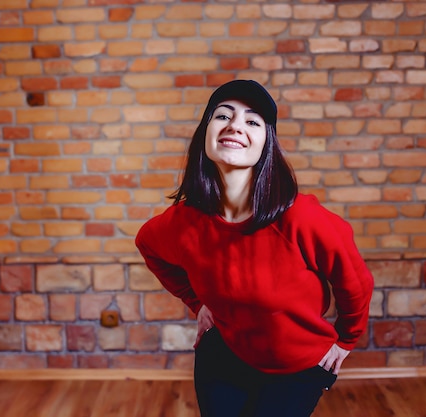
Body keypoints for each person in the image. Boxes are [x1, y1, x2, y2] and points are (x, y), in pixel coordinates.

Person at [135, 79, 374, 417]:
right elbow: (148, 246)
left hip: (296, 368)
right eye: (222, 116)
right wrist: (196, 301)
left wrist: (347, 338)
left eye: (252, 121)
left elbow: (355, 281)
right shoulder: (183, 223)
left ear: (266, 142)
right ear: (206, 133)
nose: (235, 126)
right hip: (223, 356)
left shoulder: (301, 218)